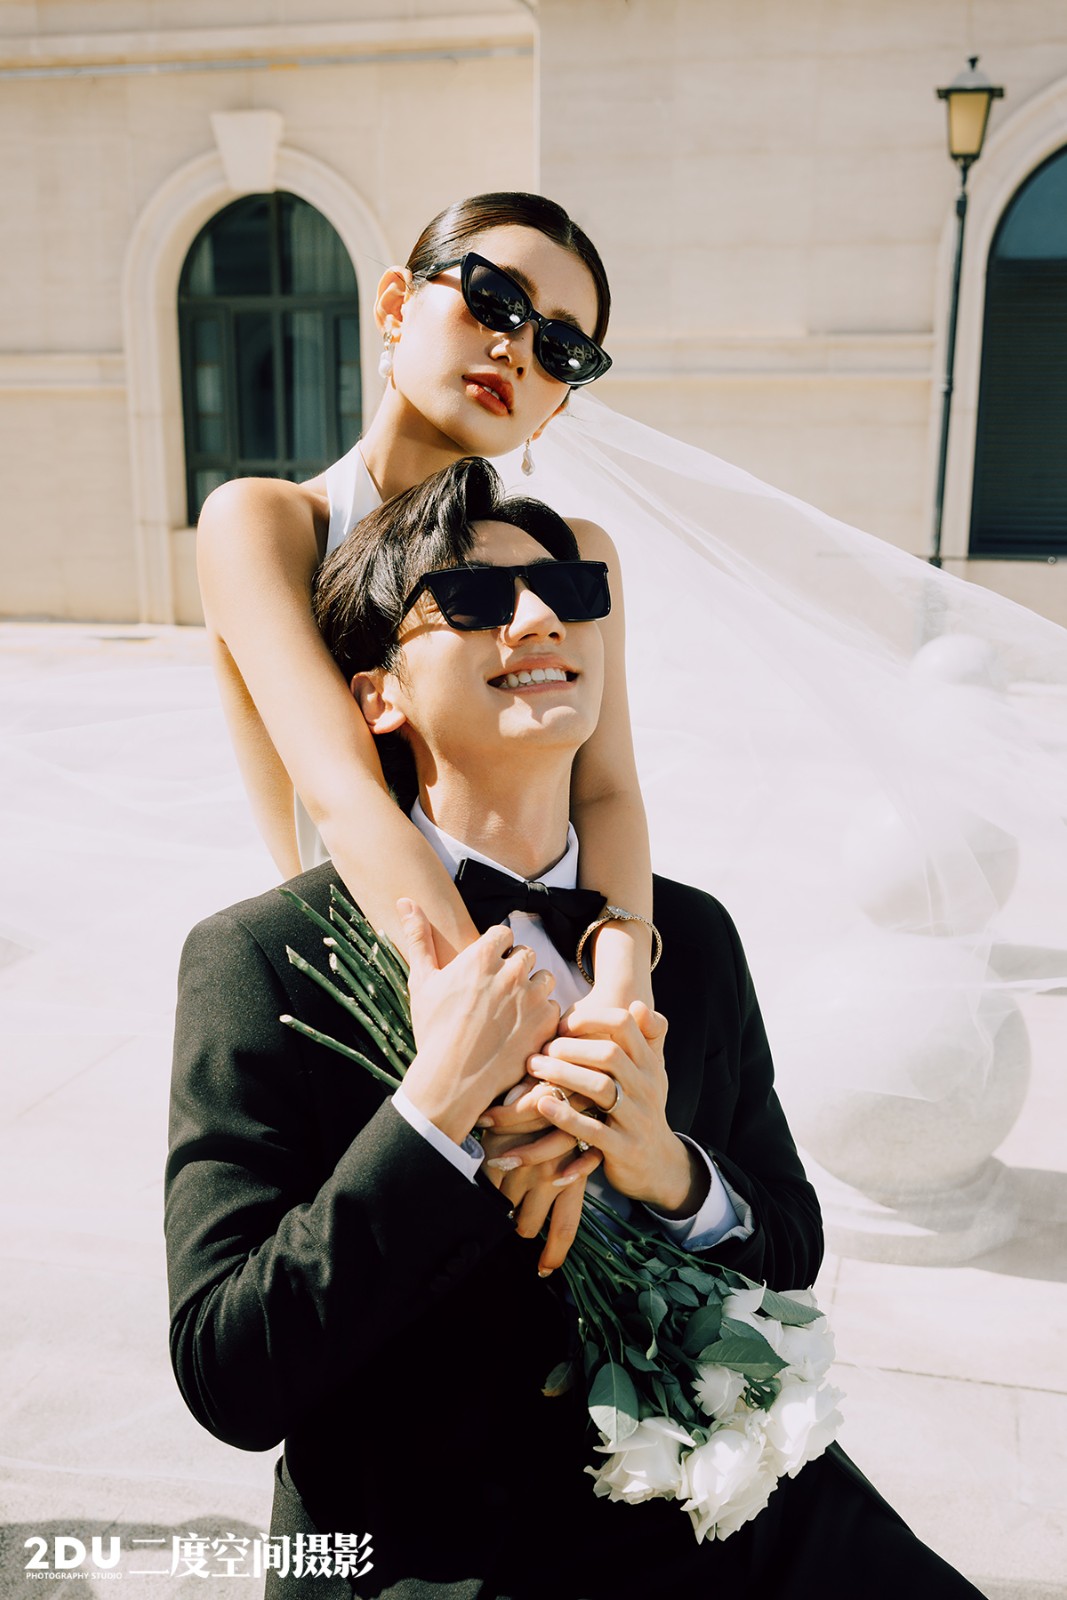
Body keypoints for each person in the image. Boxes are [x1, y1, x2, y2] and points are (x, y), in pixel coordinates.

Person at [166, 458, 984, 1599]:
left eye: (565, 592)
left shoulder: (688, 936)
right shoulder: (263, 958)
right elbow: (229, 1375)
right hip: (431, 1554)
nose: (539, 617)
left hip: (720, 1510)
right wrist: (432, 1115)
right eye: (473, 598)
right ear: (377, 697)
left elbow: (788, 1241)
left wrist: (670, 1172)